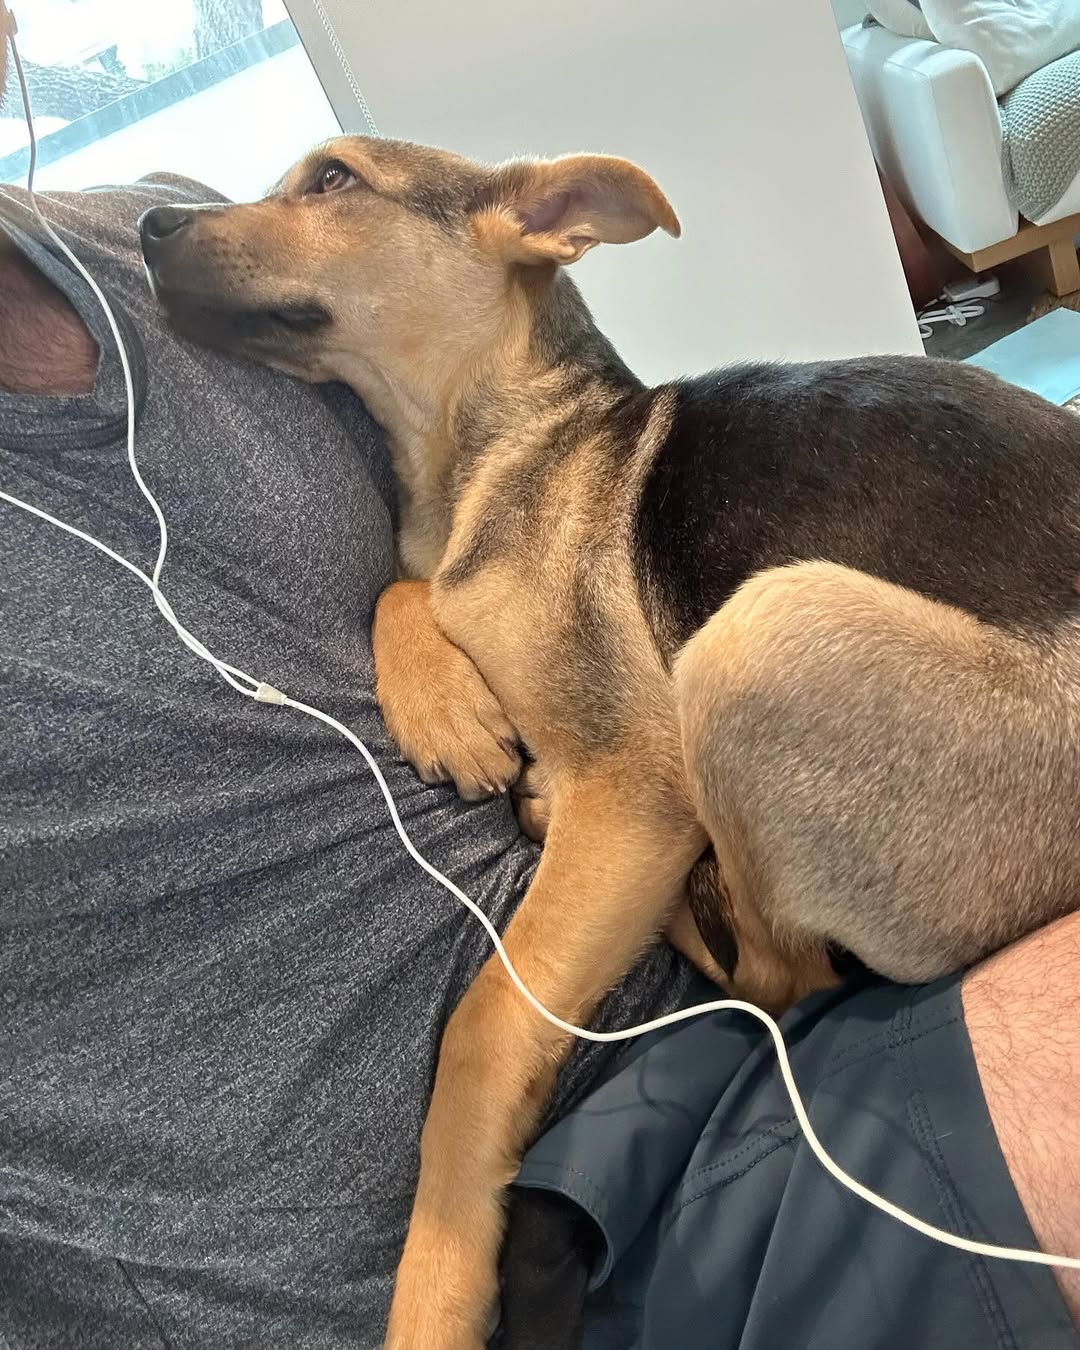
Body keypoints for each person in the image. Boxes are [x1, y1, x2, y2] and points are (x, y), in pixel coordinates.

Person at [2, 16, 1079, 1349]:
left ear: (534, 222)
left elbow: (608, 729)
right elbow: (458, 579)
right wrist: (413, 621)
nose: (245, 217)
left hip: (955, 810)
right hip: (589, 1211)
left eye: (323, 184)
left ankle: (778, 948)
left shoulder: (170, 252)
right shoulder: (457, 515)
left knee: (754, 666)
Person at [0, 17, 685, 1346]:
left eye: (322, 191)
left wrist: (405, 614)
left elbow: (457, 515)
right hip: (387, 1278)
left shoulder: (186, 256)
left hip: (686, 993)